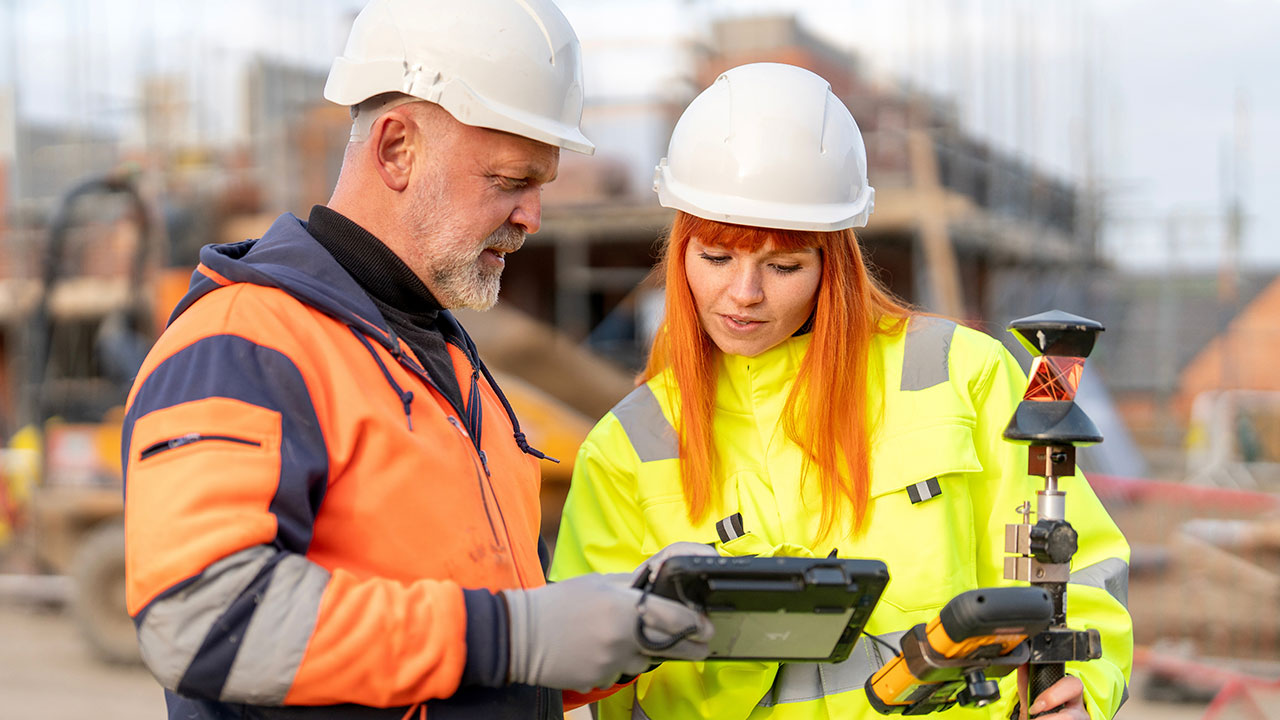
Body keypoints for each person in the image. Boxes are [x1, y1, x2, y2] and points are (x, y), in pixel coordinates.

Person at [120, 1, 711, 719]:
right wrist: (518, 636)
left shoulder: (445, 364)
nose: (533, 217)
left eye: (540, 186)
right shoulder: (247, 344)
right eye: (509, 181)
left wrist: (624, 634)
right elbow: (201, 621)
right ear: (397, 148)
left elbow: (470, 661)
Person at [550, 63, 1133, 719]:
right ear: (679, 251)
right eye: (716, 258)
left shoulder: (961, 373)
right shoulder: (628, 446)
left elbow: (1079, 564)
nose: (744, 294)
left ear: (834, 263)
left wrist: (1083, 679)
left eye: (782, 265)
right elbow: (587, 683)